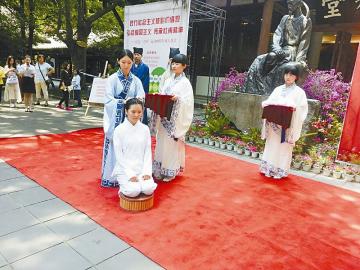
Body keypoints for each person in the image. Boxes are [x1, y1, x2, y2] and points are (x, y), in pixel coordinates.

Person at [242, 0, 312, 95]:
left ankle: (269, 90)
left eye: (291, 4)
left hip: (293, 51)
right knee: (268, 57)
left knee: (284, 68)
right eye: (288, 4)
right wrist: (277, 47)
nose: (289, 6)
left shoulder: (306, 21)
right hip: (282, 50)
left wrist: (300, 60)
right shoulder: (286, 18)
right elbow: (278, 33)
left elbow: (304, 41)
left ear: (299, 4)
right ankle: (260, 85)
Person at [101, 49, 145, 187]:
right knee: (116, 146)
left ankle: (129, 175)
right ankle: (112, 177)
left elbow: (141, 96)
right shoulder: (112, 79)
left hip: (130, 119)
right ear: (118, 61)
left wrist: (135, 101)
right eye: (123, 62)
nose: (126, 65)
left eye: (129, 62)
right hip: (117, 120)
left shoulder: (136, 80)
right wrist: (122, 102)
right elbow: (108, 100)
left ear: (133, 63)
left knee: (129, 147)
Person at [260, 63, 308, 179]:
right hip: (274, 124)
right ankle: (268, 168)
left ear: (296, 77)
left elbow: (303, 108)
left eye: (291, 75)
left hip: (288, 126)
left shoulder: (299, 92)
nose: (288, 77)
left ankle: (280, 171)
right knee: (272, 145)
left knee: (284, 148)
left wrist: (293, 109)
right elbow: (270, 102)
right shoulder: (277, 89)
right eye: (286, 74)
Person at [152, 54, 194, 182]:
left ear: (184, 66)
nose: (174, 66)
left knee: (171, 145)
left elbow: (188, 102)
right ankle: (159, 169)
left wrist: (178, 99)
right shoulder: (168, 80)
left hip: (174, 121)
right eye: (173, 63)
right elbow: (163, 94)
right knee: (161, 143)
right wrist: (158, 97)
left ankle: (170, 170)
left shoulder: (185, 83)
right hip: (164, 117)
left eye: (177, 64)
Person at [112, 98, 157, 197]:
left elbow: (147, 152)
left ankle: (140, 183)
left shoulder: (145, 129)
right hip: (125, 169)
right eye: (133, 111)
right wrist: (130, 174)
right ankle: (126, 186)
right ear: (126, 111)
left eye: (139, 112)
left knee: (148, 189)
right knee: (134, 191)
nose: (136, 115)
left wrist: (147, 171)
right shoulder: (119, 130)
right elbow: (119, 156)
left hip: (141, 168)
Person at [131, 47, 150, 124]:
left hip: (140, 93)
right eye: (135, 54)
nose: (136, 56)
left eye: (138, 55)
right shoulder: (130, 66)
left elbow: (146, 83)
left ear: (141, 56)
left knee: (141, 111)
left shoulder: (145, 68)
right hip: (131, 93)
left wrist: (142, 94)